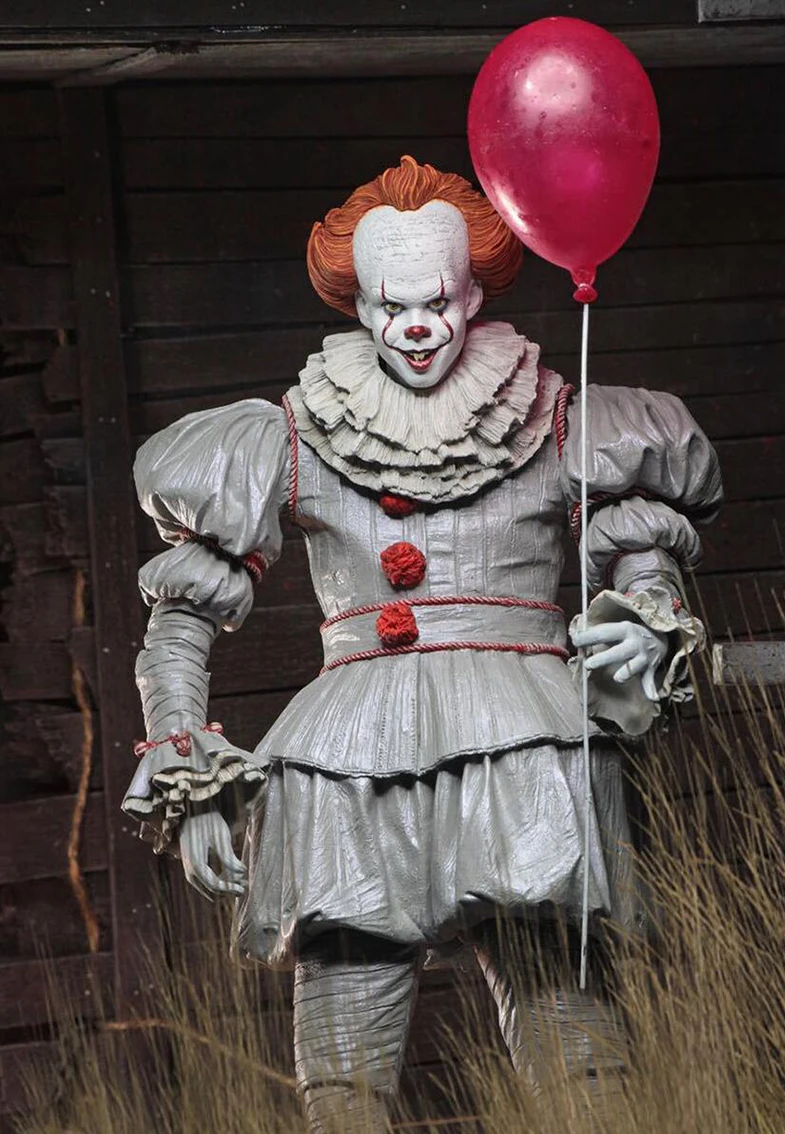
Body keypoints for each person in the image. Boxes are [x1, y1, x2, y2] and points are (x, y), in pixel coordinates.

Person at [122, 156, 722, 1132]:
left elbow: (641, 554)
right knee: (343, 1070)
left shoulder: (555, 418)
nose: (414, 326)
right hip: (350, 763)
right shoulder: (295, 435)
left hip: (525, 744)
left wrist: (646, 620)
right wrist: (186, 776)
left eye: (436, 302)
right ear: (357, 303)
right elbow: (180, 622)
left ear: (473, 294)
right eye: (390, 304)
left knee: (578, 1052)